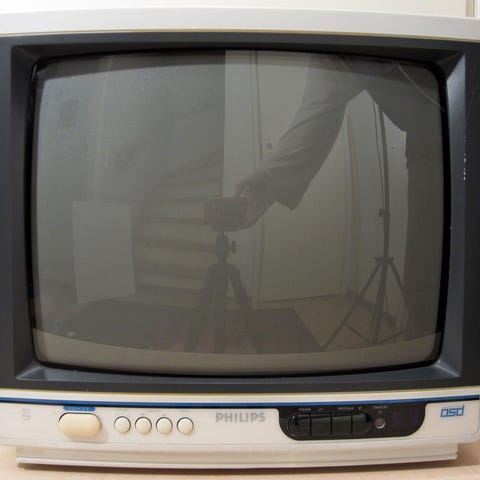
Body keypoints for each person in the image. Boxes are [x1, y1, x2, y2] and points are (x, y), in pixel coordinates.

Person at [235, 53, 444, 340]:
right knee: (426, 294)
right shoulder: (333, 52)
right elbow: (327, 88)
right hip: (430, 146)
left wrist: (273, 174)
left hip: (442, 136)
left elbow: (328, 82)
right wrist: (273, 176)